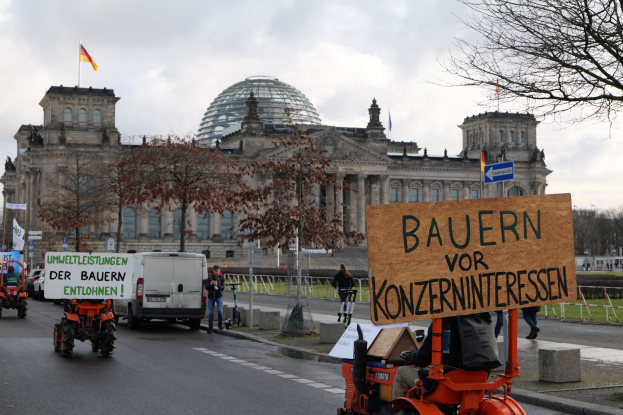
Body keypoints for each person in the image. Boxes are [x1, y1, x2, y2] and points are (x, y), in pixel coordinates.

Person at [392, 313, 498, 403]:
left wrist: (410, 355)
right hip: (479, 378)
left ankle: (399, 410)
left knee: (401, 372)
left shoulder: (442, 320)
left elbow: (422, 359)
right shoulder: (483, 318)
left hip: (446, 383)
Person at [205, 265, 225, 334]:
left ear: (219, 271)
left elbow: (223, 287)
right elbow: (206, 287)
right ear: (213, 271)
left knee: (220, 311)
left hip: (219, 296)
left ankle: (220, 325)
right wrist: (210, 284)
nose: (216, 272)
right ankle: (210, 328)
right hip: (210, 297)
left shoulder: (221, 277)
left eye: (217, 271)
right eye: (215, 271)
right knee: (211, 313)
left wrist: (217, 285)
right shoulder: (210, 277)